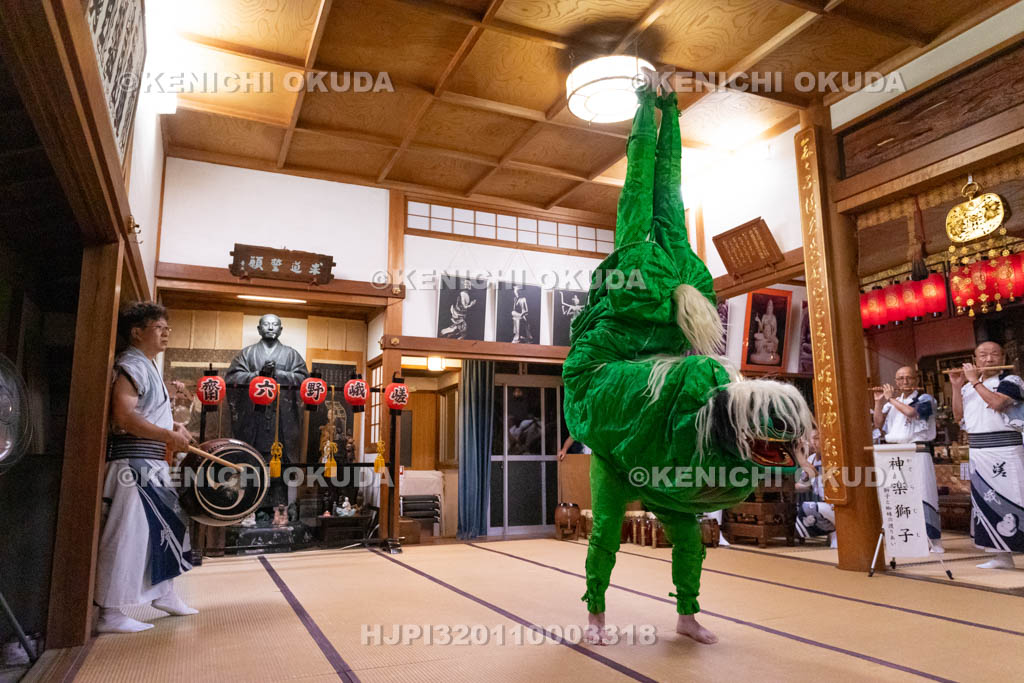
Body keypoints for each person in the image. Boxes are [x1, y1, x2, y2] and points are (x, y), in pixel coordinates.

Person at [562, 88, 815, 646]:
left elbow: (666, 196)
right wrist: (649, 110)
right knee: (605, 525)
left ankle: (687, 614)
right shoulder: (642, 270)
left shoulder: (681, 272)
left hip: (664, 407)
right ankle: (596, 615)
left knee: (685, 529)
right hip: (616, 385)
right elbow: (639, 189)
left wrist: (670, 112)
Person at [95, 302, 197, 634]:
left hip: (152, 462)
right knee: (128, 535)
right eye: (159, 327)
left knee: (167, 528)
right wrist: (168, 434)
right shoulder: (130, 364)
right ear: (137, 332)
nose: (166, 332)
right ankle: (110, 613)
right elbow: (123, 417)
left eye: (168, 327)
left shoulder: (148, 365)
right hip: (134, 464)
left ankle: (163, 593)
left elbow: (151, 415)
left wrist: (175, 431)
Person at [949, 341, 1024, 569]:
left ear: (1003, 357)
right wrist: (956, 386)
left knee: (1015, 498)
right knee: (985, 503)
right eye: (983, 355)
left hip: (1005, 450)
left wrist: (973, 382)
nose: (988, 359)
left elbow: (998, 403)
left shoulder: (1010, 381)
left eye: (994, 354)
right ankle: (1001, 557)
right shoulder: (969, 387)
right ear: (975, 358)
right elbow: (959, 417)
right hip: (979, 452)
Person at [873, 366, 943, 552]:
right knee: (901, 495)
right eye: (900, 379)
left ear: (916, 380)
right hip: (895, 453)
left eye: (909, 378)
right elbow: (878, 424)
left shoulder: (925, 399)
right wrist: (879, 403)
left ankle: (933, 539)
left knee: (924, 494)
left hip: (917, 451)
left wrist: (890, 399)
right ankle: (910, 537)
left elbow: (912, 413)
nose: (904, 382)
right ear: (895, 382)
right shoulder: (893, 402)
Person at [225, 314, 309, 461]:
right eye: (266, 324)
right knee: (252, 465)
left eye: (275, 324)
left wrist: (278, 374)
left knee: (281, 465)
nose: (270, 327)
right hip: (253, 418)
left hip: (282, 418)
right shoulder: (247, 354)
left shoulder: (291, 355)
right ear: (259, 329)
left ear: (281, 329)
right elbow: (232, 378)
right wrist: (258, 375)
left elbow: (304, 380)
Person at [794, 429, 837, 548]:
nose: (813, 442)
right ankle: (832, 533)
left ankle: (835, 532)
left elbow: (813, 473)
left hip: (834, 505)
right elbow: (803, 484)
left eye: (817, 438)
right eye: (812, 438)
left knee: (809, 507)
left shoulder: (833, 456)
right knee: (800, 505)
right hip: (822, 502)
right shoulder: (811, 458)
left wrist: (798, 453)